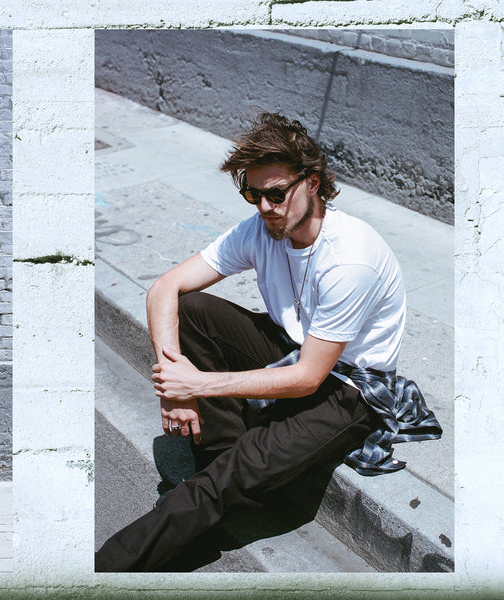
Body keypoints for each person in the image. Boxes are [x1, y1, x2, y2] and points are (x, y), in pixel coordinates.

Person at [94, 112, 441, 572]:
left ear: (312, 183)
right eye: (252, 194)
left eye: (275, 193)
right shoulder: (262, 227)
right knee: (192, 309)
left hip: (348, 390)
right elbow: (165, 288)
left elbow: (307, 378)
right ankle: (225, 461)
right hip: (295, 351)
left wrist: (196, 386)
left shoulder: (350, 258)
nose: (263, 206)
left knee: (218, 486)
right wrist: (174, 383)